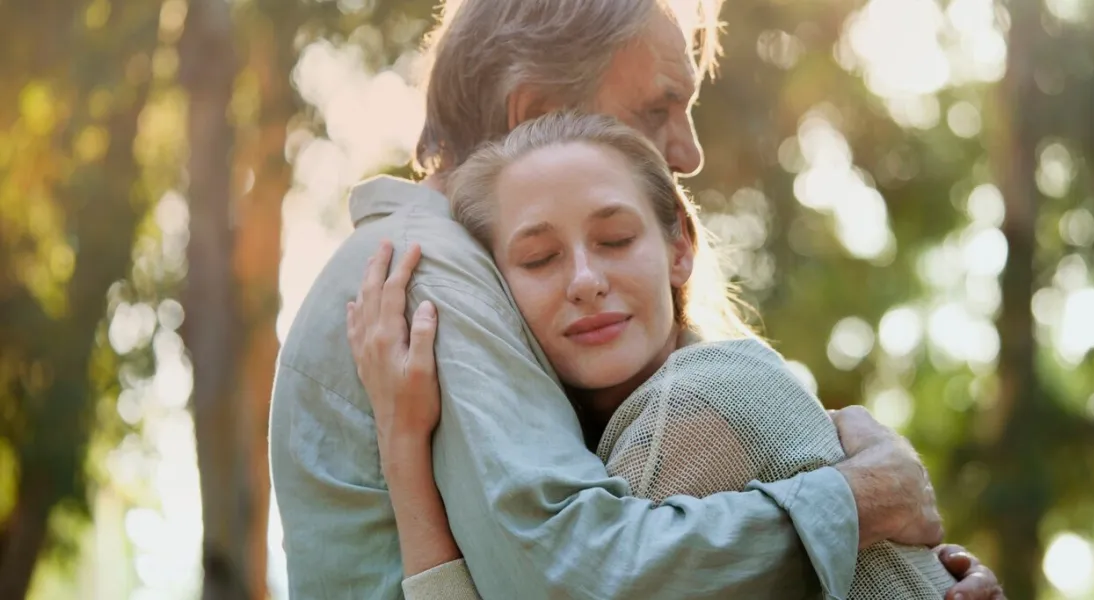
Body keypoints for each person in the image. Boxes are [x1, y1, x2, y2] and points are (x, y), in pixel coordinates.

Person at [269, 0, 1004, 598]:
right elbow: (567, 575)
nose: (687, 153)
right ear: (535, 117)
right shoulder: (425, 277)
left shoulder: (495, 281)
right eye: (658, 109)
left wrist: (897, 573)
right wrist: (859, 503)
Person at [346, 112, 969, 600]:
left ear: (679, 248)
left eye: (615, 240)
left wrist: (403, 446)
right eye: (540, 258)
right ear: (496, 295)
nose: (585, 279)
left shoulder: (694, 407)